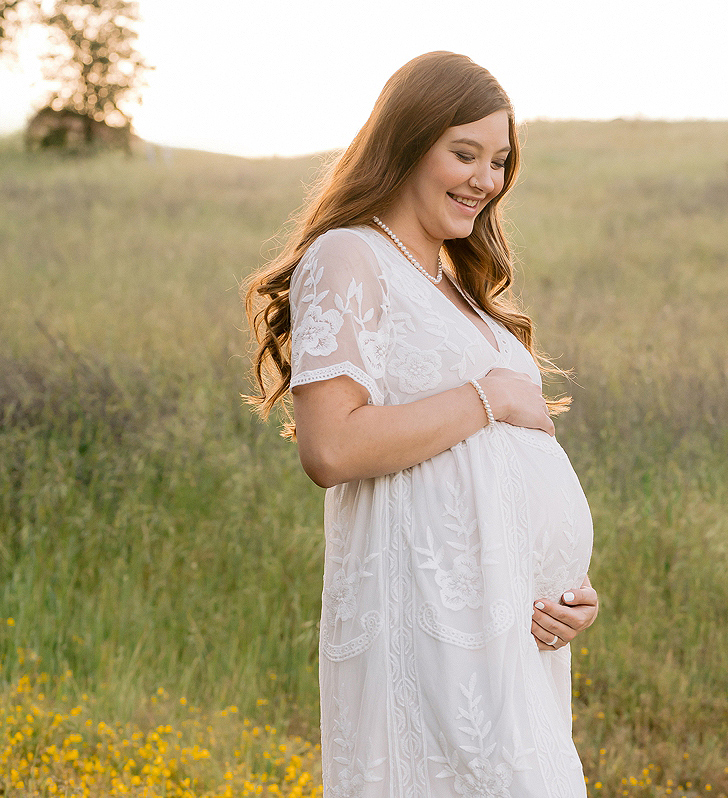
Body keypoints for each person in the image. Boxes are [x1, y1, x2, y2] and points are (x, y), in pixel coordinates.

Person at [243, 51, 597, 797]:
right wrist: (488, 397)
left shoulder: (461, 286)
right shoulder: (352, 257)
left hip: (513, 641)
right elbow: (332, 446)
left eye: (498, 161)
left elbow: (496, 473)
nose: (485, 180)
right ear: (405, 142)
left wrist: (567, 587)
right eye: (463, 152)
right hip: (430, 637)